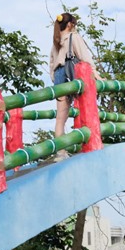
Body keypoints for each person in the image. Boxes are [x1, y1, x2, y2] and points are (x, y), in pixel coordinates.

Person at [49, 12, 102, 159]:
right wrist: (96, 75)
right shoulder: (74, 37)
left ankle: (60, 152)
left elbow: (52, 65)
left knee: (61, 118)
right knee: (86, 107)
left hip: (60, 76)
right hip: (72, 74)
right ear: (71, 24)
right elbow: (85, 58)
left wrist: (55, 80)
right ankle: (88, 145)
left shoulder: (56, 41)